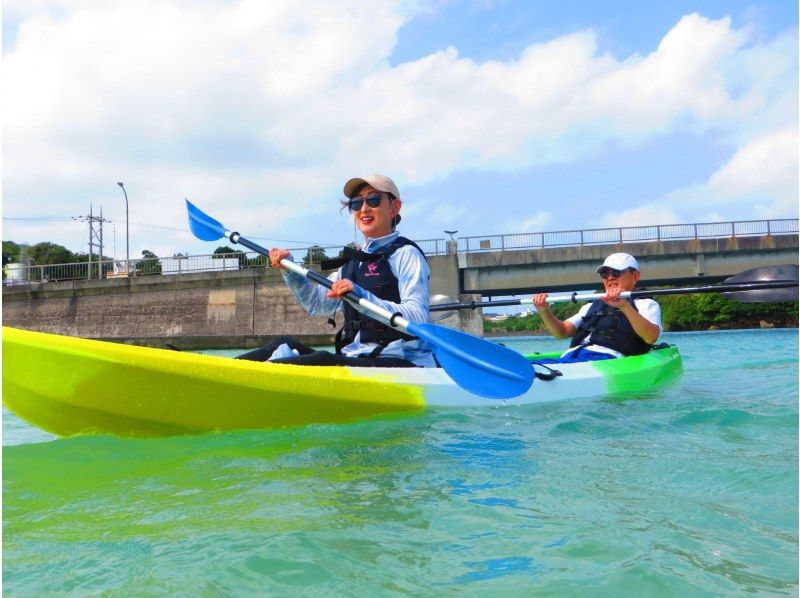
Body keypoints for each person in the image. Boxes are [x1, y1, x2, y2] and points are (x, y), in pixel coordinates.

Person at [236, 173, 436, 368]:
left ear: (395, 207)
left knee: (323, 358)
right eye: (356, 203)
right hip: (359, 356)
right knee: (282, 343)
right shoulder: (353, 264)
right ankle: (224, 371)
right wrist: (290, 270)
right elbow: (316, 304)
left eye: (373, 200)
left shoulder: (406, 255)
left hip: (404, 362)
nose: (364, 209)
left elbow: (417, 317)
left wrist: (361, 296)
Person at [531, 253, 662, 363]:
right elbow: (562, 332)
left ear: (635, 276)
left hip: (606, 359)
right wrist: (544, 311)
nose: (610, 278)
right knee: (530, 366)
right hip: (571, 355)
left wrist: (624, 306)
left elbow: (651, 337)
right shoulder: (590, 306)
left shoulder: (646, 305)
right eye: (605, 274)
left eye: (616, 273)